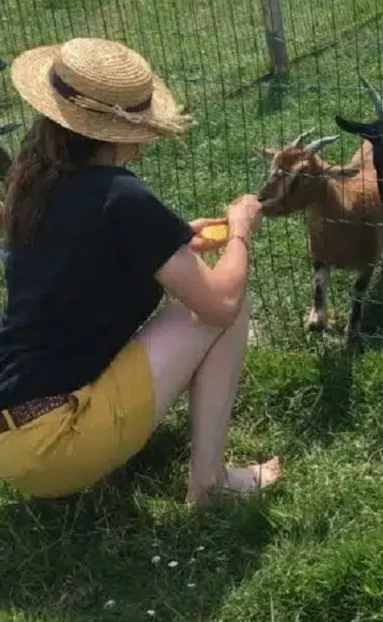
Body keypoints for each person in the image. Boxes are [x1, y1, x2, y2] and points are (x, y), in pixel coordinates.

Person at [0, 36, 282, 505]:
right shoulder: (121, 196)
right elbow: (221, 302)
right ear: (117, 131)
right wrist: (241, 230)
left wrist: (168, 239)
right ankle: (208, 482)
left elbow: (83, 261)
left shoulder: (32, 183)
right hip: (56, 447)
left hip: (12, 440)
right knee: (226, 304)